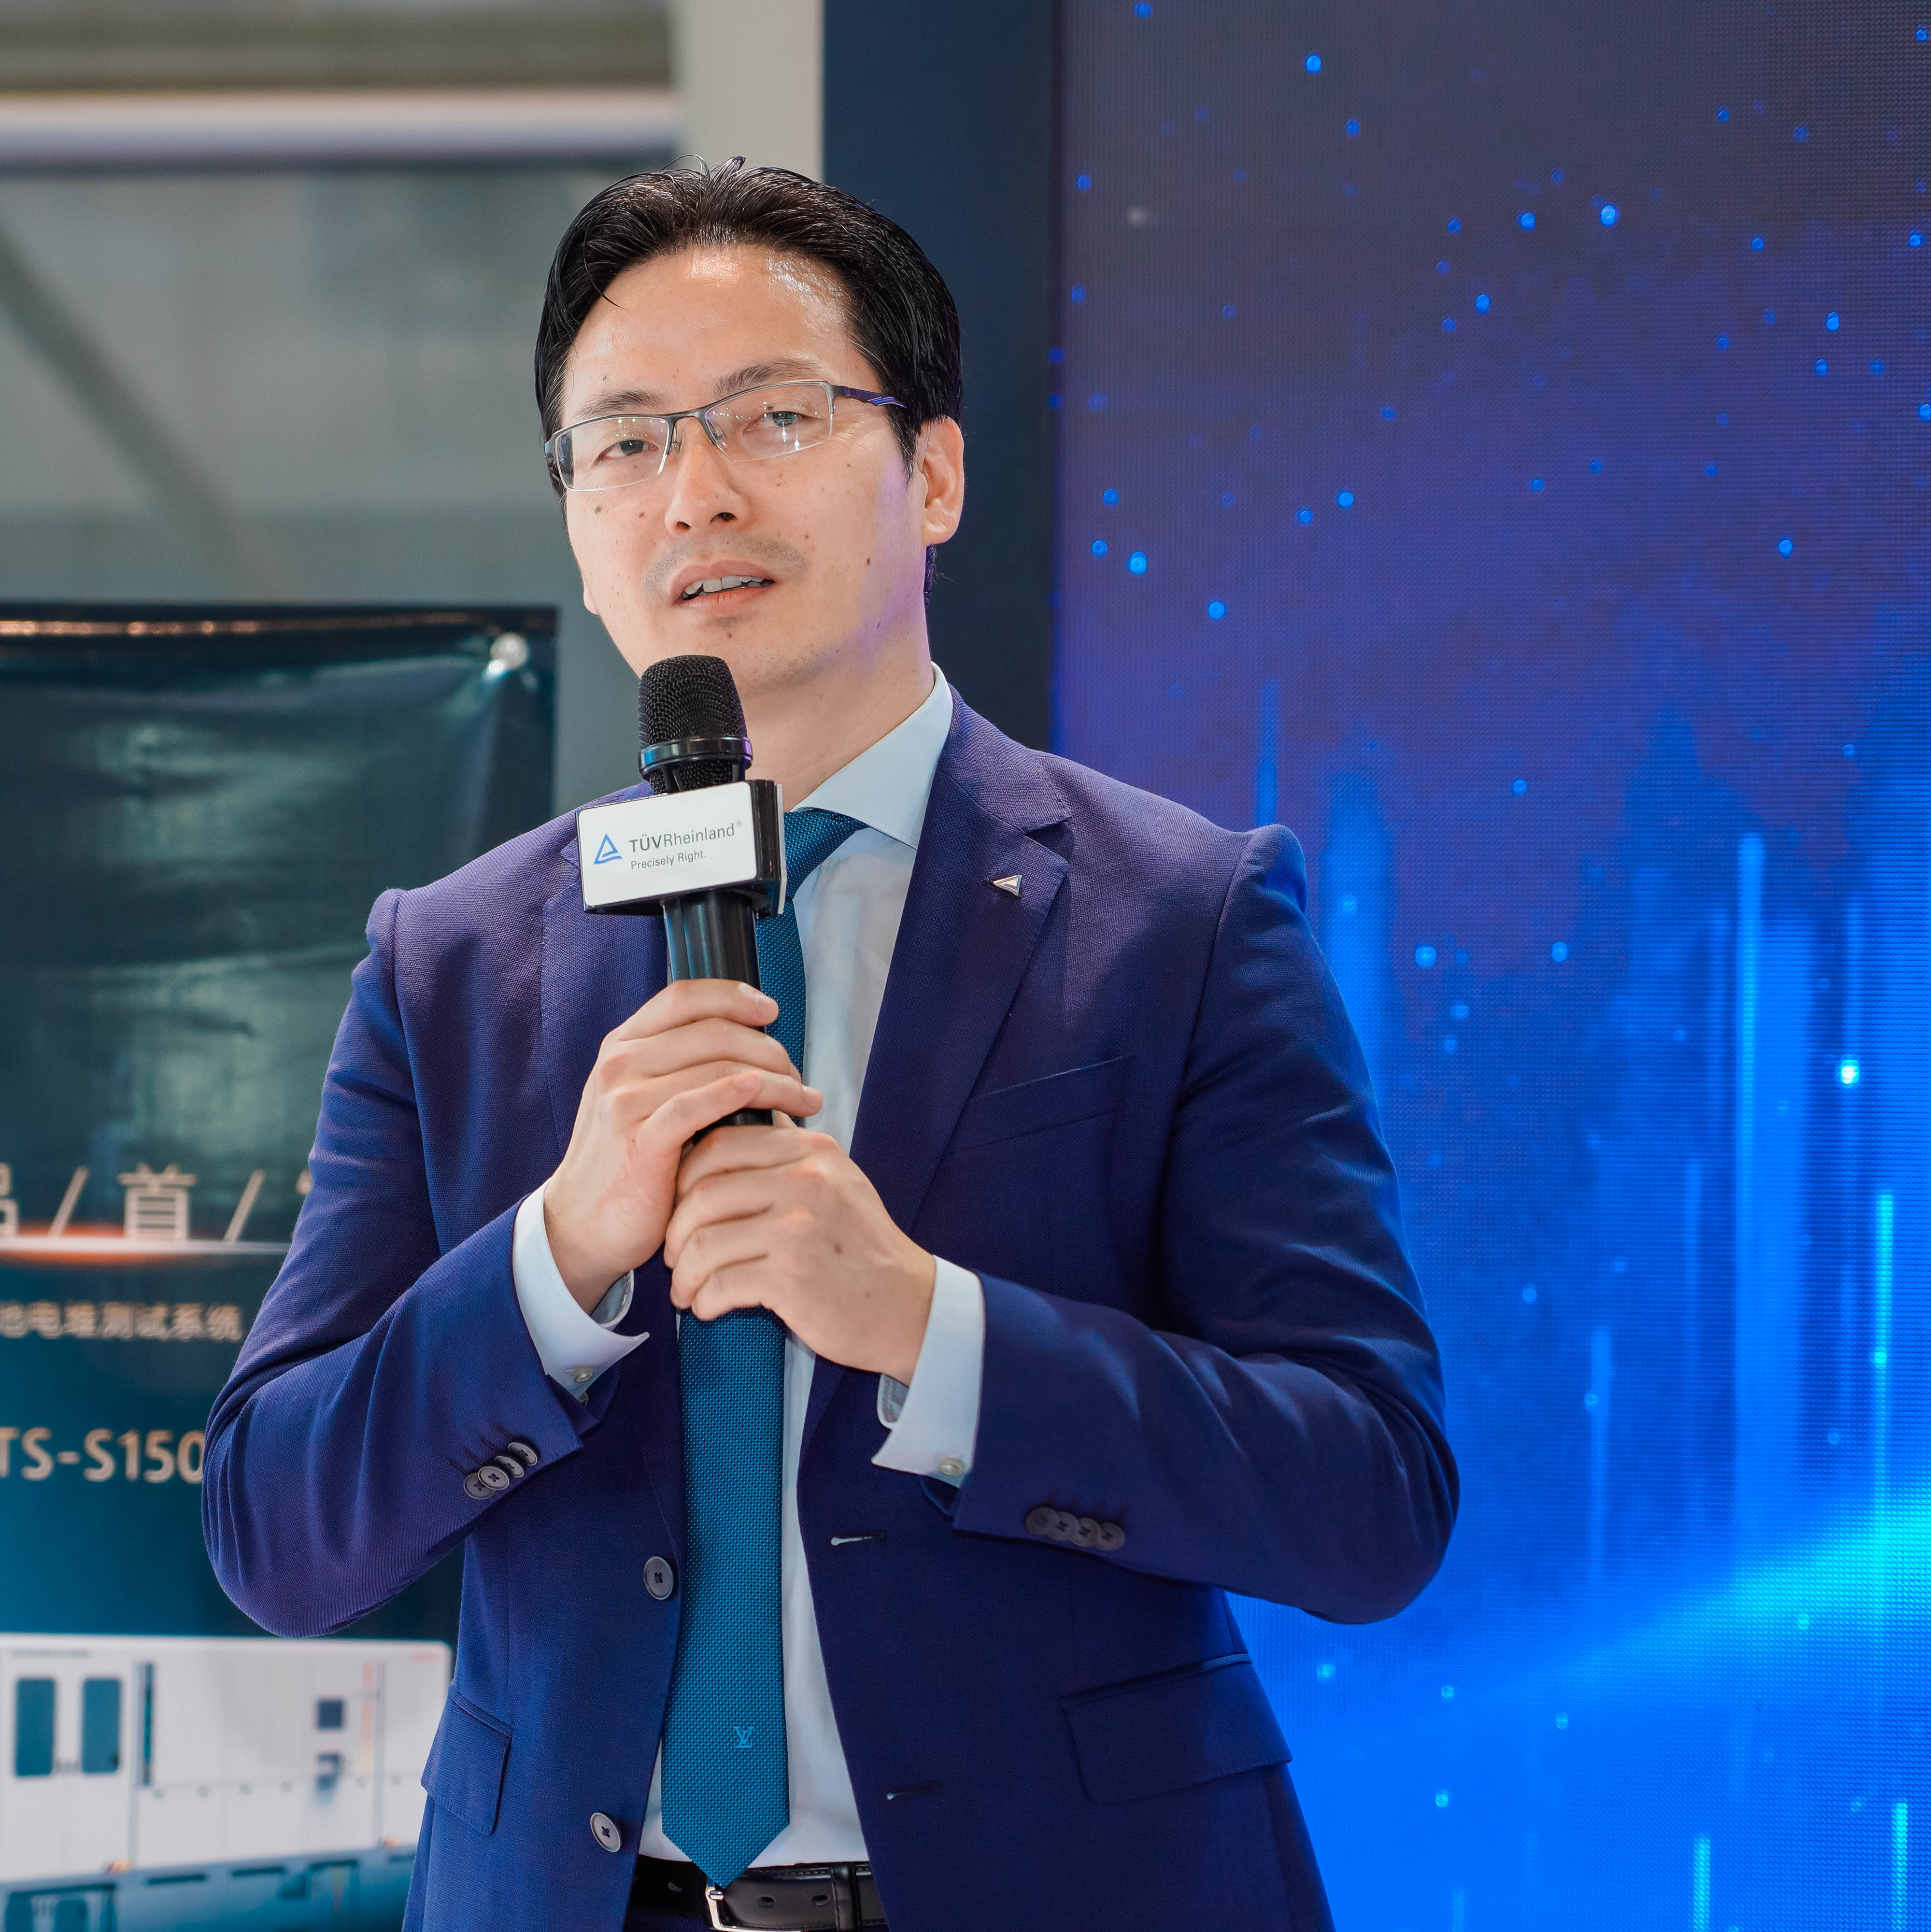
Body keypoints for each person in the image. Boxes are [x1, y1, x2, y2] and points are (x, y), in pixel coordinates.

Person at [204, 159, 1454, 1932]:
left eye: (772, 416)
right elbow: (274, 1530)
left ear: (932, 473)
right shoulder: (451, 961)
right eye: (624, 443)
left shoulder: (1179, 917)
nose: (694, 491)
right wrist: (554, 1263)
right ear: (576, 520)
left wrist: (931, 1329)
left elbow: (1369, 1493)